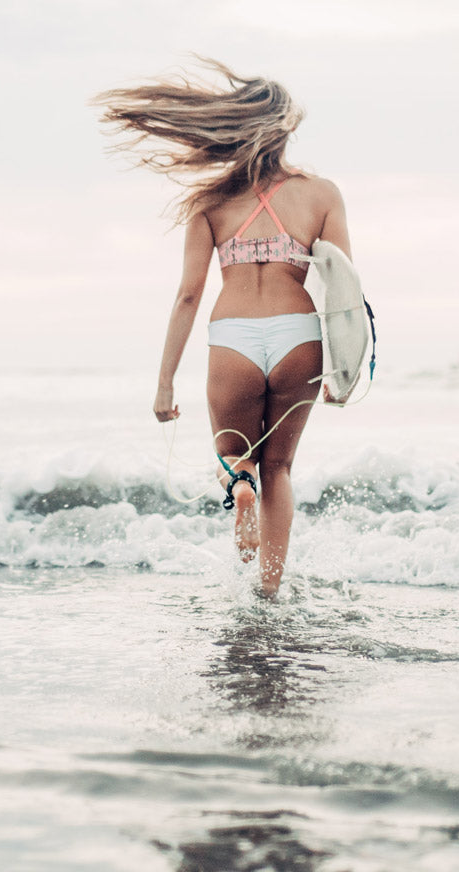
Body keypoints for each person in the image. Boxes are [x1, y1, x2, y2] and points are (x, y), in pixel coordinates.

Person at [96, 59, 353, 597]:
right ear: (286, 128)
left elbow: (189, 295)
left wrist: (164, 383)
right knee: (279, 468)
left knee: (236, 456)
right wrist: (344, 368)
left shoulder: (209, 203)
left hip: (233, 336)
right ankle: (269, 592)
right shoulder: (322, 194)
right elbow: (342, 289)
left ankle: (238, 486)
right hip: (299, 336)